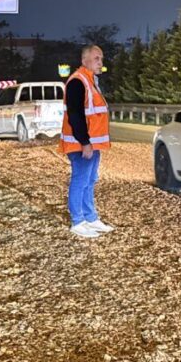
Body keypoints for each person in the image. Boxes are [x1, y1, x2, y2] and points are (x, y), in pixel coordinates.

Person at [60, 44, 115, 238]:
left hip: (91, 143)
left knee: (90, 180)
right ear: (85, 61)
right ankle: (78, 221)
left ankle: (90, 218)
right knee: (81, 180)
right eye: (96, 58)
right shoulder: (78, 82)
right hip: (81, 144)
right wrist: (84, 142)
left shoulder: (90, 81)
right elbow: (76, 115)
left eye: (101, 58)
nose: (101, 62)